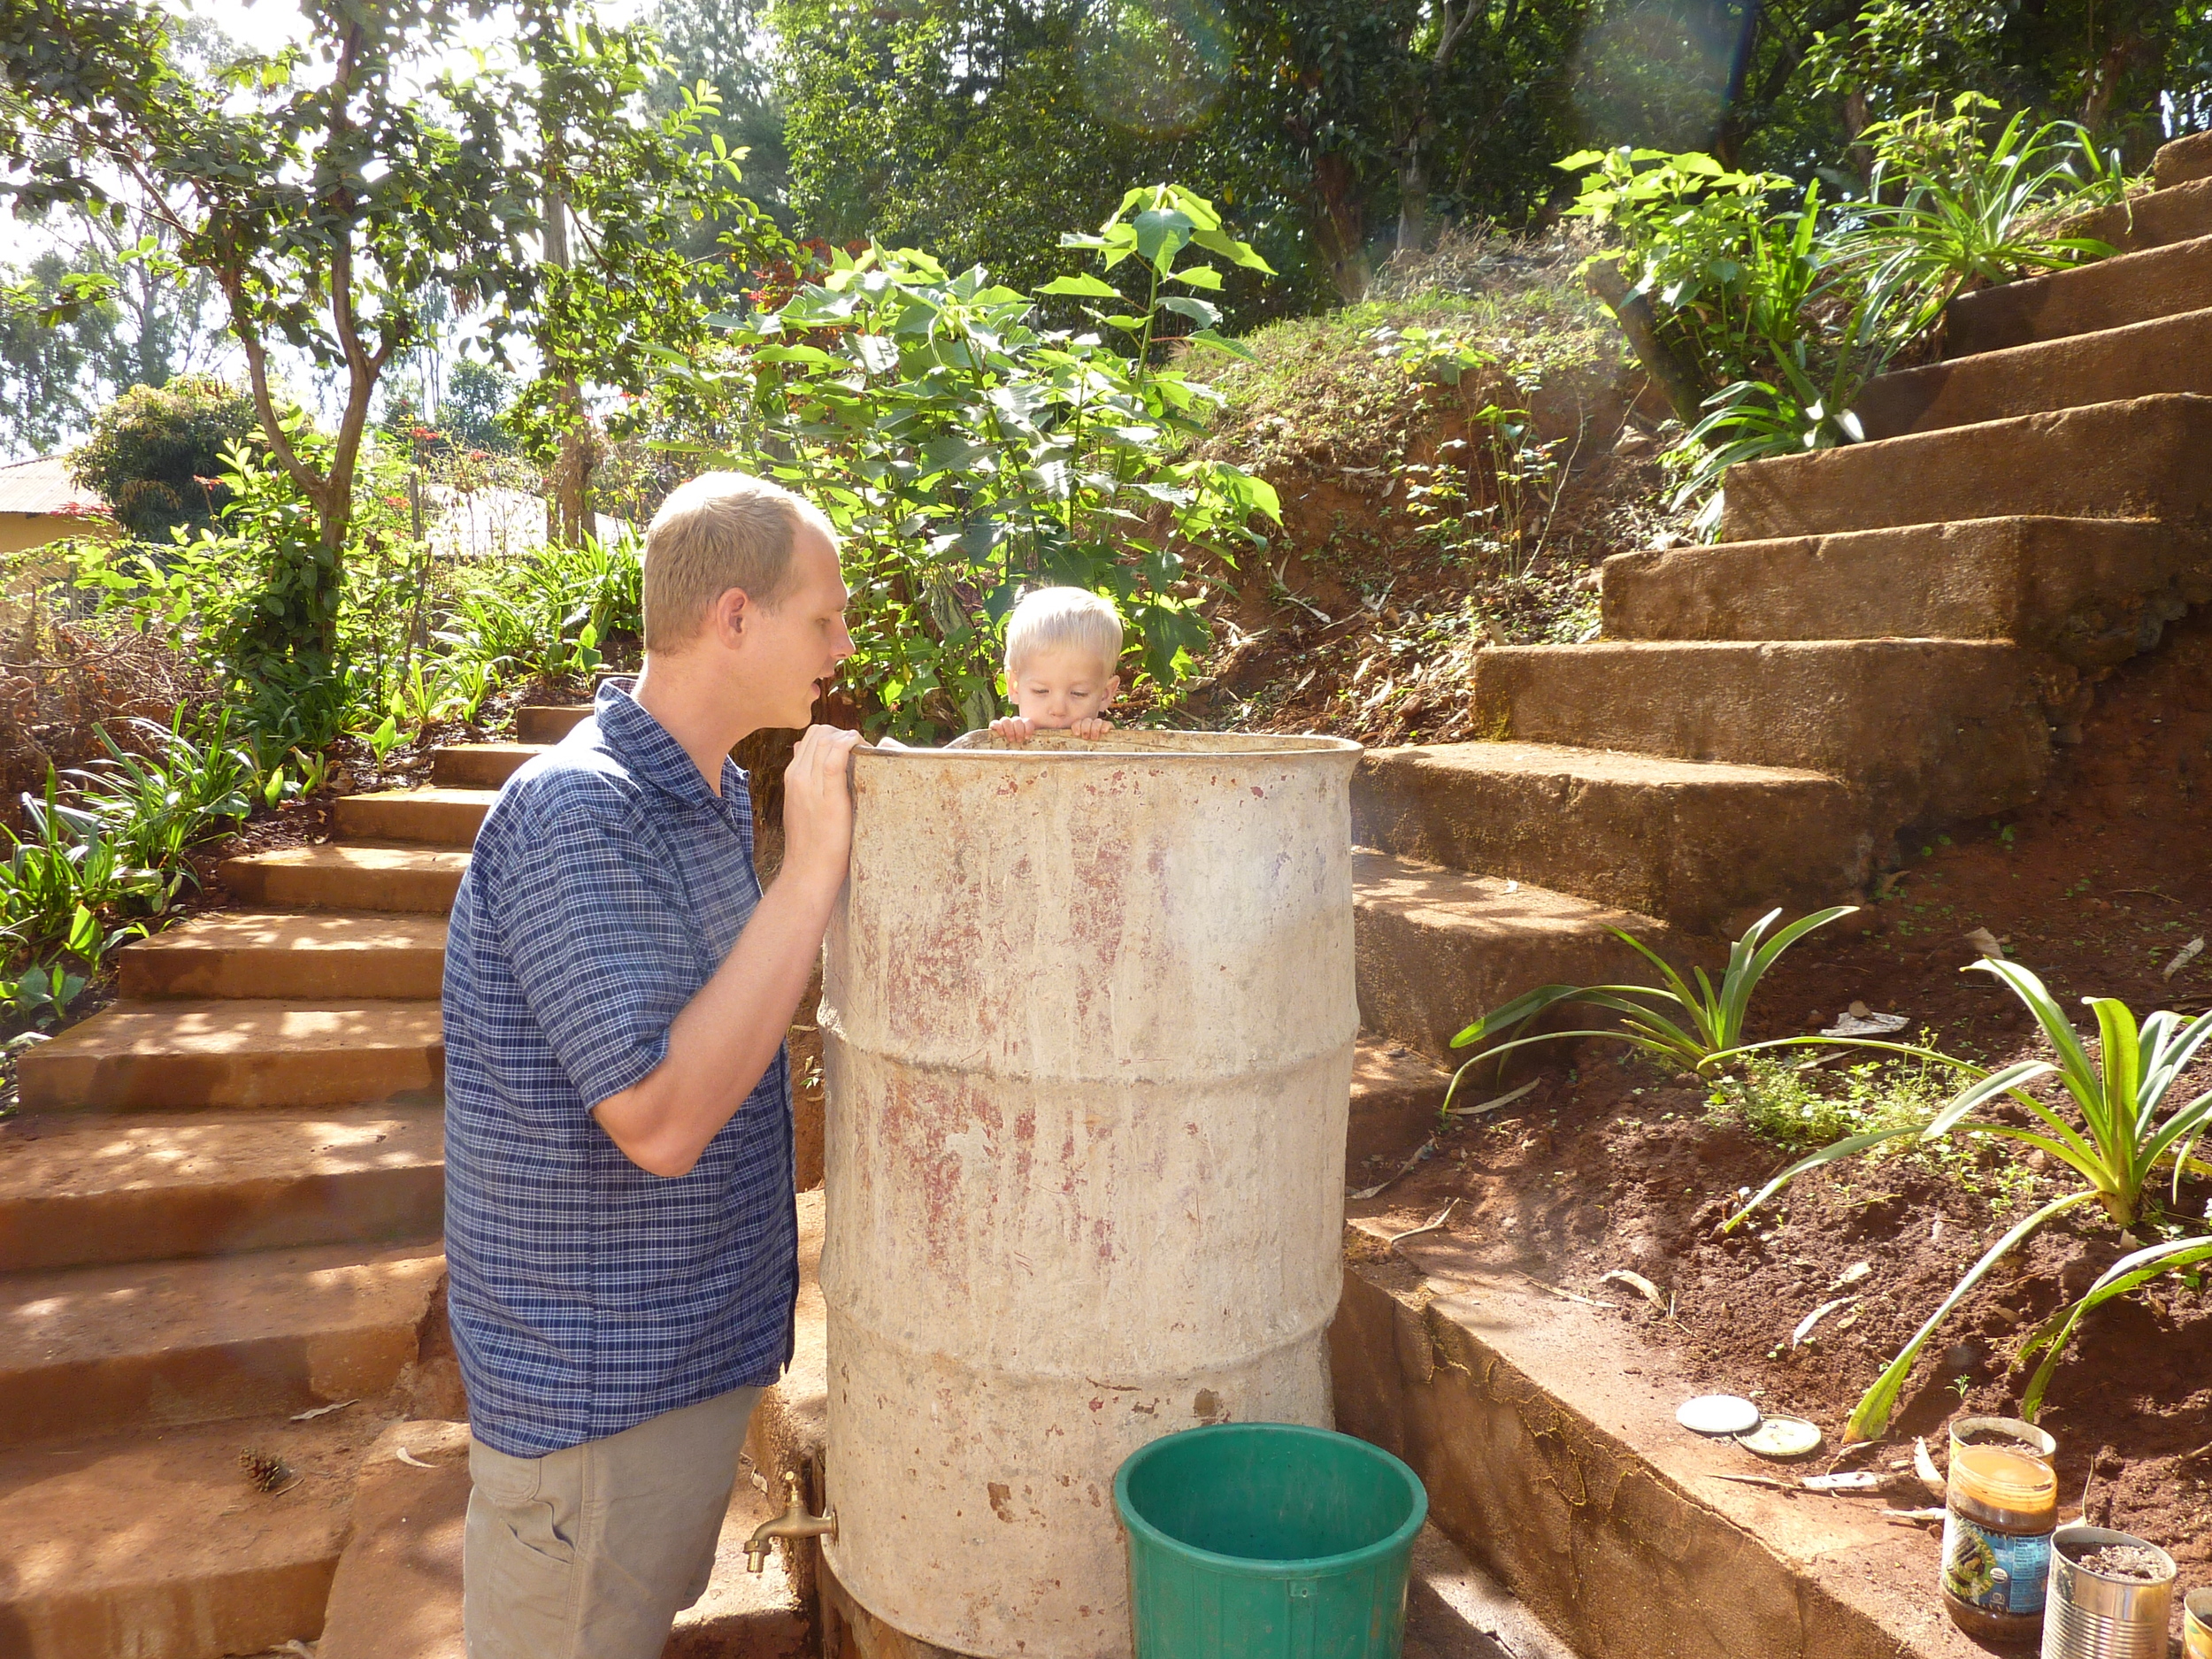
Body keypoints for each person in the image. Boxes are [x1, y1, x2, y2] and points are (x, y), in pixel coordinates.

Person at [442, 471, 861, 1659]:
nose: (841, 643)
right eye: (822, 616)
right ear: (736, 617)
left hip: (677, 1376)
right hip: (592, 1415)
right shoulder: (578, 809)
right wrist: (810, 872)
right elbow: (662, 1117)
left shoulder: (708, 793)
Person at [987, 585, 1123, 745]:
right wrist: (1005, 740)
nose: (1058, 710)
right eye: (1041, 691)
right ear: (1014, 686)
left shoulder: (1103, 743)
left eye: (1079, 693)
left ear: (1105, 694)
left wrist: (1105, 742)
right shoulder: (1008, 740)